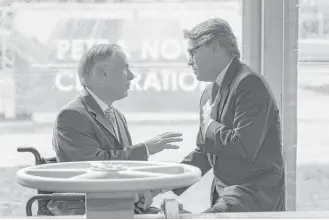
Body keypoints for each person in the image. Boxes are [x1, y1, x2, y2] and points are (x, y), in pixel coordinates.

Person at [165, 18, 285, 212]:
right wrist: (159, 187)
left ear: (215, 46)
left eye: (192, 51)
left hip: (253, 196)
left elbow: (244, 146)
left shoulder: (250, 84)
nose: (189, 61)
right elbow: (205, 152)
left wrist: (210, 125)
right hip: (229, 197)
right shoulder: (209, 92)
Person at [50, 44, 183, 215]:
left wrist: (144, 191)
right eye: (125, 69)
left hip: (117, 205)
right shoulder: (71, 116)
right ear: (103, 74)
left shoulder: (117, 115)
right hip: (87, 210)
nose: (132, 76)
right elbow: (94, 168)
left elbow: (124, 169)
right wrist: (146, 149)